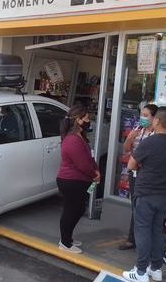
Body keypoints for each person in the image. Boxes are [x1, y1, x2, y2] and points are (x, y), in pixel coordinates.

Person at [122, 107, 166, 282]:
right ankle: (155, 268)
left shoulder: (149, 142)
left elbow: (131, 165)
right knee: (156, 231)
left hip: (146, 192)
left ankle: (140, 272)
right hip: (163, 195)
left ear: (157, 121)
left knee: (142, 231)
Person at [56, 104, 100, 254]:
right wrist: (94, 175)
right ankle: (65, 242)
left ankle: (68, 238)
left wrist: (96, 171)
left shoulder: (81, 137)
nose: (89, 121)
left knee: (78, 209)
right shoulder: (72, 140)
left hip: (79, 181)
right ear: (78, 120)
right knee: (71, 210)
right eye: (87, 118)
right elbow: (82, 164)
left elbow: (89, 157)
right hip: (71, 182)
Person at [119, 104, 158, 251]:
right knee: (135, 206)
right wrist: (129, 139)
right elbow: (126, 150)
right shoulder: (138, 130)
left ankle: (146, 241)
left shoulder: (157, 135)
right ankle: (132, 239)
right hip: (135, 175)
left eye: (146, 115)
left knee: (146, 208)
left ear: (155, 118)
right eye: (142, 114)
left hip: (149, 176)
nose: (143, 118)